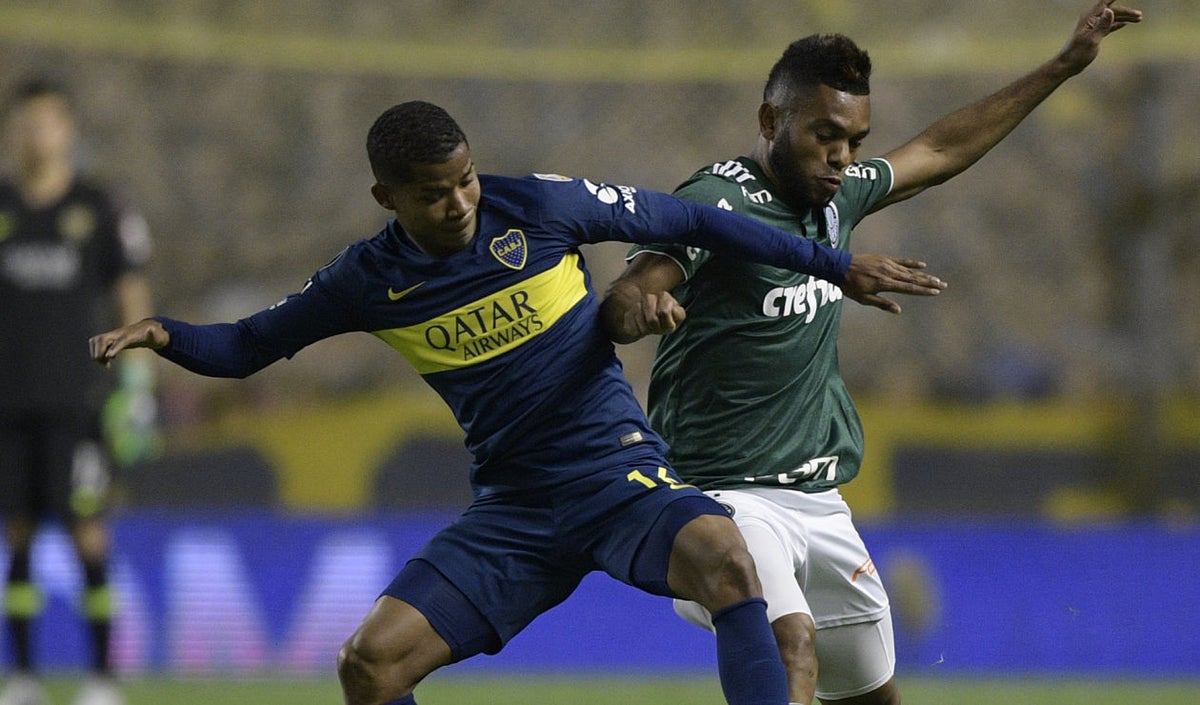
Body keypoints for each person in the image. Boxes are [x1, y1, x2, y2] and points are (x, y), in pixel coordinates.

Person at [88, 100, 942, 705]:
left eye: (462, 179)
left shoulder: (537, 207)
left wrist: (838, 265)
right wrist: (166, 332)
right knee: (368, 666)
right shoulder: (366, 281)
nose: (460, 201)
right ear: (386, 197)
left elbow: (696, 221)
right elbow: (248, 345)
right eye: (432, 191)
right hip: (516, 511)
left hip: (617, 478)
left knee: (727, 558)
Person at [600, 2, 1142, 704]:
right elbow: (626, 295)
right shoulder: (717, 203)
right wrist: (640, 308)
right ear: (771, 122)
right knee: (792, 644)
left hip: (820, 503)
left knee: (872, 696)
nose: (842, 157)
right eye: (825, 135)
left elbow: (939, 152)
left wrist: (1063, 66)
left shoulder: (833, 202)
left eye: (854, 140)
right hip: (723, 498)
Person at [0, 79, 155, 705]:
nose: (36, 133)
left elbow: (131, 289)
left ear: (68, 129)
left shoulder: (100, 206)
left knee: (89, 534)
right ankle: (25, 676)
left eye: (47, 121)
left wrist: (139, 379)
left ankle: (100, 677)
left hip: (79, 403)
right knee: (18, 536)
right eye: (25, 122)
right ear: (13, 130)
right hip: (7, 405)